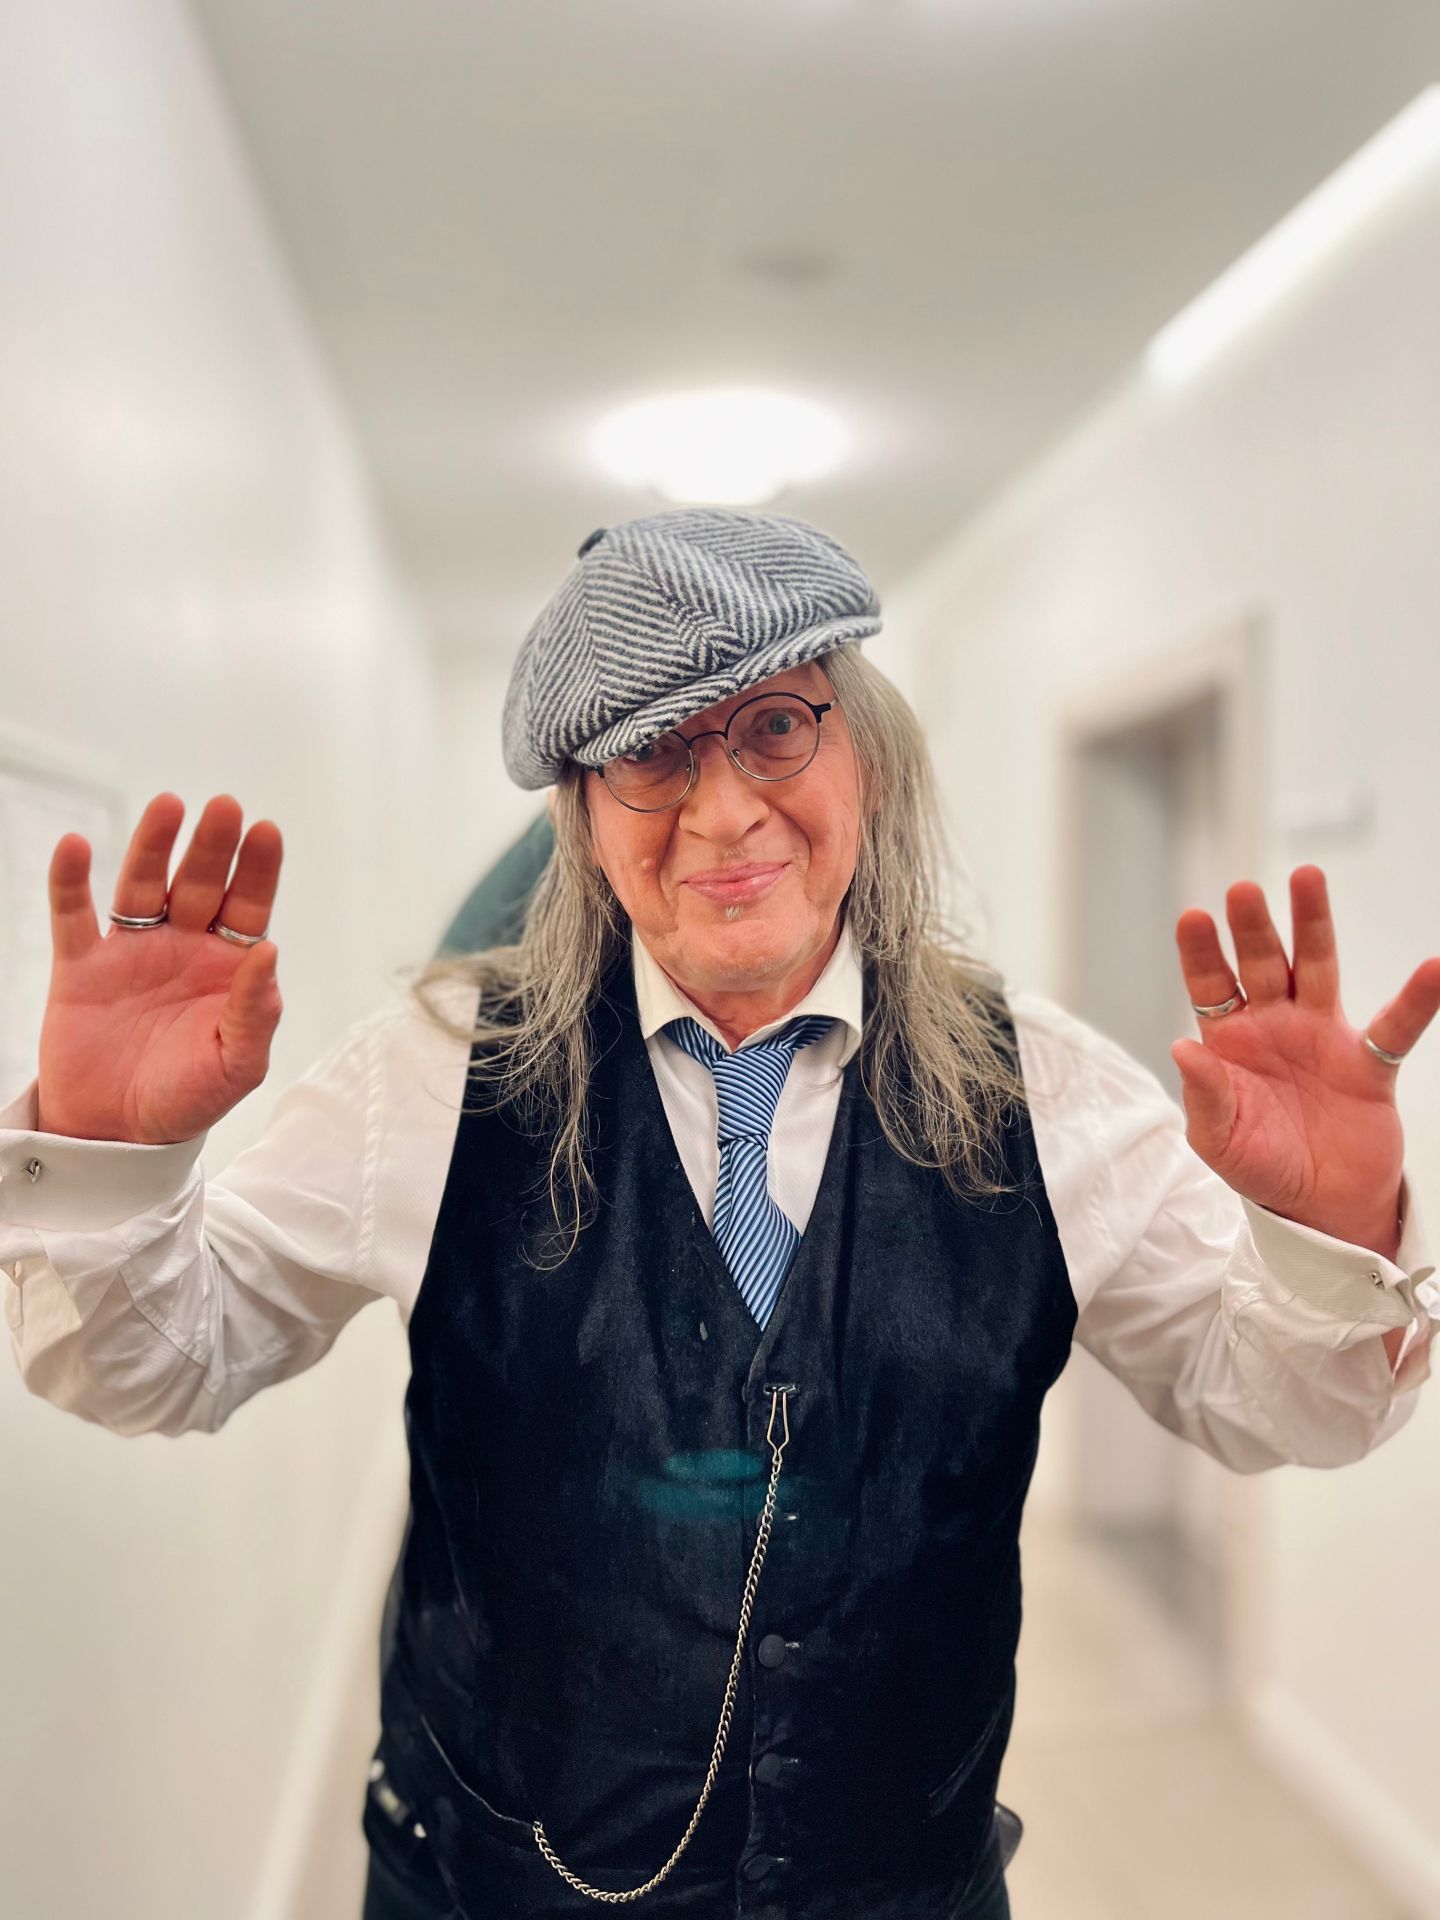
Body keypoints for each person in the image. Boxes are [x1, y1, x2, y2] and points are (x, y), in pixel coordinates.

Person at [2, 507, 1436, 1920]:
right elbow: (147, 1368)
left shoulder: (1046, 1089)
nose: (726, 809)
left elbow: (1286, 1408)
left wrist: (1337, 1231)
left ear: (867, 758)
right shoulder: (435, 1075)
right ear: (583, 817)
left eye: (775, 727)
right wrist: (114, 1162)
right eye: (652, 752)